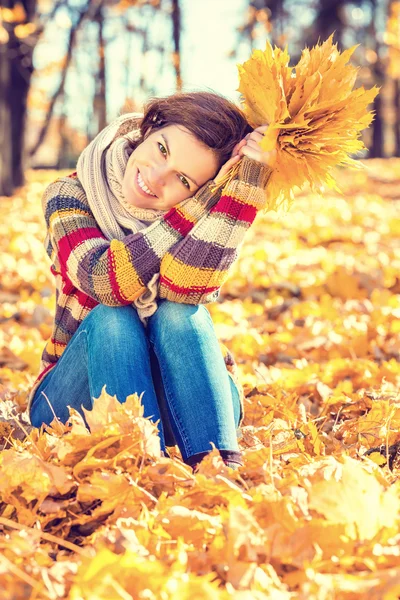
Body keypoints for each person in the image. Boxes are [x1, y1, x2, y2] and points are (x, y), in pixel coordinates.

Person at [27, 91, 275, 472]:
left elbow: (183, 288)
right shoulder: (69, 195)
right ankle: (140, 472)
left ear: (203, 188)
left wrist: (245, 183)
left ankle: (220, 473)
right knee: (114, 317)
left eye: (183, 180)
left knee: (178, 311)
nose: (156, 178)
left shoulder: (205, 215)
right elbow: (104, 280)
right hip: (71, 399)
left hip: (180, 398)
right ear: (149, 128)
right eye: (162, 149)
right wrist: (195, 206)